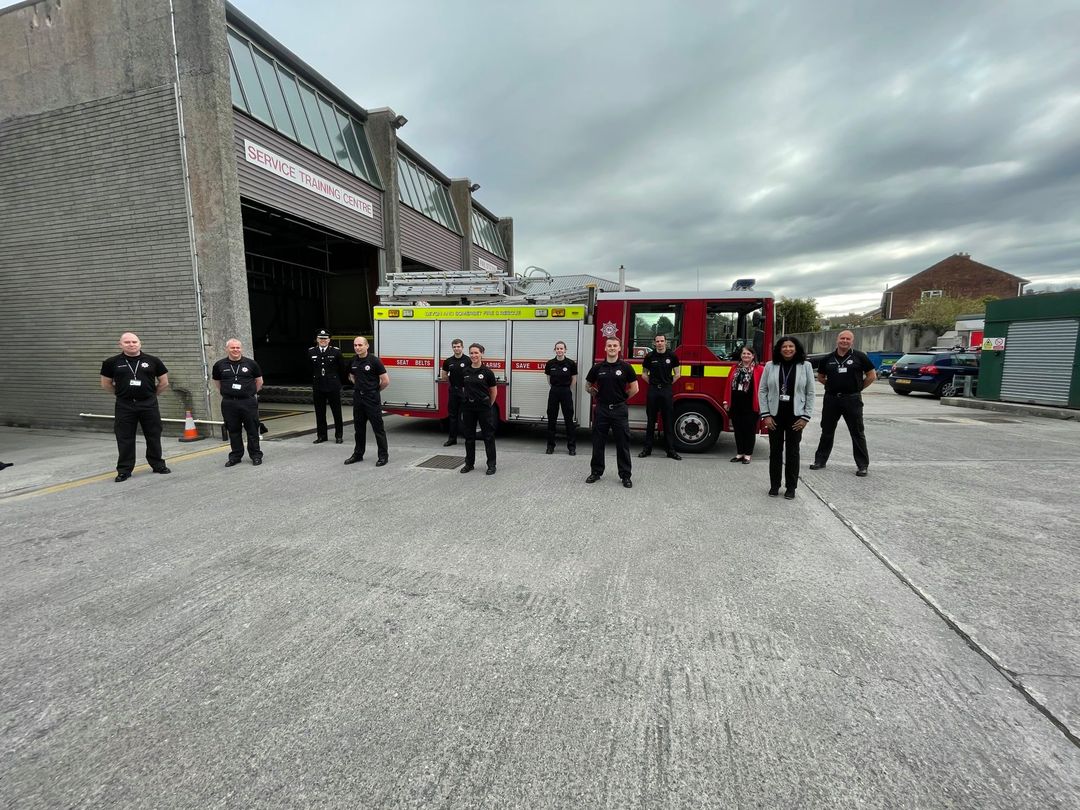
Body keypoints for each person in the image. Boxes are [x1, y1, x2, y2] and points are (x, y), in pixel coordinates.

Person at [99, 332, 170, 482]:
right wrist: (122, 395)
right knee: (124, 437)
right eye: (127, 342)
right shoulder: (111, 362)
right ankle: (124, 470)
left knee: (153, 435)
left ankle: (158, 464)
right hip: (125, 405)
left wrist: (151, 395)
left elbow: (164, 382)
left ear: (140, 343)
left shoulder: (153, 361)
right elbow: (106, 384)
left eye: (134, 342)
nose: (131, 344)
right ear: (120, 345)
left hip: (148, 404)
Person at [810, 330, 876, 477]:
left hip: (852, 399)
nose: (844, 341)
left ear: (852, 341)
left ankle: (862, 465)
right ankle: (820, 461)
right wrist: (833, 386)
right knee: (827, 431)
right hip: (831, 399)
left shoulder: (859, 356)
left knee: (857, 432)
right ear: (837, 340)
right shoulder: (828, 358)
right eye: (842, 338)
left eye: (848, 339)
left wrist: (858, 388)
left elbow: (872, 376)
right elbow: (821, 377)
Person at [758, 335, 815, 499]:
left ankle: (791, 487)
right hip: (774, 416)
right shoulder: (770, 366)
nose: (788, 349)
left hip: (796, 417)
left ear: (796, 348)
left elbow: (810, 393)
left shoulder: (806, 366)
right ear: (779, 349)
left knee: (793, 452)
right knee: (775, 452)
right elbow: (762, 391)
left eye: (791, 346)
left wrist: (805, 417)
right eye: (784, 347)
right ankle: (774, 485)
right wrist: (766, 415)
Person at [585, 337, 639, 488]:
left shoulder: (626, 367)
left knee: (623, 444)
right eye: (609, 345)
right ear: (605, 348)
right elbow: (588, 386)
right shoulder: (597, 367)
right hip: (602, 409)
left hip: (619, 410)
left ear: (619, 348)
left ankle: (625, 476)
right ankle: (596, 472)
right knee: (598, 442)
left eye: (615, 345)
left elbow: (635, 388)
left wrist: (621, 399)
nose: (612, 348)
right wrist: (598, 396)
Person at [212, 339, 264, 467]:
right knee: (233, 430)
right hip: (229, 403)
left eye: (238, 348)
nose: (235, 350)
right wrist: (227, 393)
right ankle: (235, 456)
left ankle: (256, 455)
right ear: (227, 349)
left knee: (252, 430)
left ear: (241, 349)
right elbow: (217, 383)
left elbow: (259, 382)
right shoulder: (219, 365)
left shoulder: (251, 364)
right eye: (232, 348)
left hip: (248, 402)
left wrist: (249, 393)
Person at [344, 337, 390, 467]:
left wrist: (374, 391)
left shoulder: (374, 361)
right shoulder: (353, 360)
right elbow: (351, 375)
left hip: (372, 399)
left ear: (367, 346)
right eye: (355, 345)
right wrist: (357, 385)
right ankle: (358, 454)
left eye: (360, 345)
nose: (357, 348)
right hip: (358, 399)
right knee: (359, 429)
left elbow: (385, 380)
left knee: (378, 429)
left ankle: (383, 456)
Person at [639, 334, 682, 460]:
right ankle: (647, 449)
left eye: (662, 341)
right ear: (654, 343)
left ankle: (670, 451)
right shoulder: (649, 356)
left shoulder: (672, 356)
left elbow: (678, 374)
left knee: (668, 421)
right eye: (657, 341)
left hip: (666, 391)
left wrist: (667, 384)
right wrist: (654, 384)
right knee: (651, 421)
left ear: (666, 342)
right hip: (653, 391)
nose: (660, 343)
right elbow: (644, 374)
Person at [459, 343, 498, 475]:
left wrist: (488, 405)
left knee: (488, 437)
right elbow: (463, 388)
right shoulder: (465, 371)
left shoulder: (487, 372)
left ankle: (491, 465)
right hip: (468, 408)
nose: (474, 355)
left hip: (483, 408)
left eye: (476, 353)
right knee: (469, 437)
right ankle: (469, 464)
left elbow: (493, 392)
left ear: (482, 353)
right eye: (471, 353)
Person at [722, 346, 763, 463]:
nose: (746, 356)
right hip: (735, 404)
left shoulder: (760, 369)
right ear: (741, 355)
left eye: (748, 354)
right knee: (738, 430)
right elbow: (728, 385)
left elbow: (764, 388)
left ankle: (748, 455)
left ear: (753, 356)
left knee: (749, 431)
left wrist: (762, 405)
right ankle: (740, 453)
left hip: (751, 405)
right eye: (744, 354)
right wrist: (726, 401)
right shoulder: (734, 368)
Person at [308, 329, 346, 444]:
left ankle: (339, 435)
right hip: (318, 386)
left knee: (336, 412)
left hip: (333, 386)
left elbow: (342, 369)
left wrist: (341, 384)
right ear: (317, 340)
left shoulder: (336, 352)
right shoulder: (311, 352)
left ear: (329, 340)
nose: (323, 340)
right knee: (319, 412)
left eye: (325, 339)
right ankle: (322, 436)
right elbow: (309, 369)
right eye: (321, 338)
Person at [544, 341, 578, 455]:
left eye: (561, 348)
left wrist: (567, 389)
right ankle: (550, 446)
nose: (559, 350)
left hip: (566, 392)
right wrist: (555, 388)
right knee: (551, 420)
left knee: (569, 420)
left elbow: (574, 379)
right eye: (557, 348)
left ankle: (571, 447)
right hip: (554, 391)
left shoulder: (570, 363)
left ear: (565, 350)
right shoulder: (550, 363)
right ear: (555, 350)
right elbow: (548, 378)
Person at [440, 338, 469, 446]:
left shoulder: (468, 360)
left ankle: (468, 438)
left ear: (462, 347)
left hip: (465, 392)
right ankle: (452, 439)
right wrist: (453, 384)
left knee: (467, 416)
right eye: (454, 346)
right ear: (452, 348)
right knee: (453, 416)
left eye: (458, 346)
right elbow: (444, 375)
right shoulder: (448, 361)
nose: (456, 348)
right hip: (453, 391)